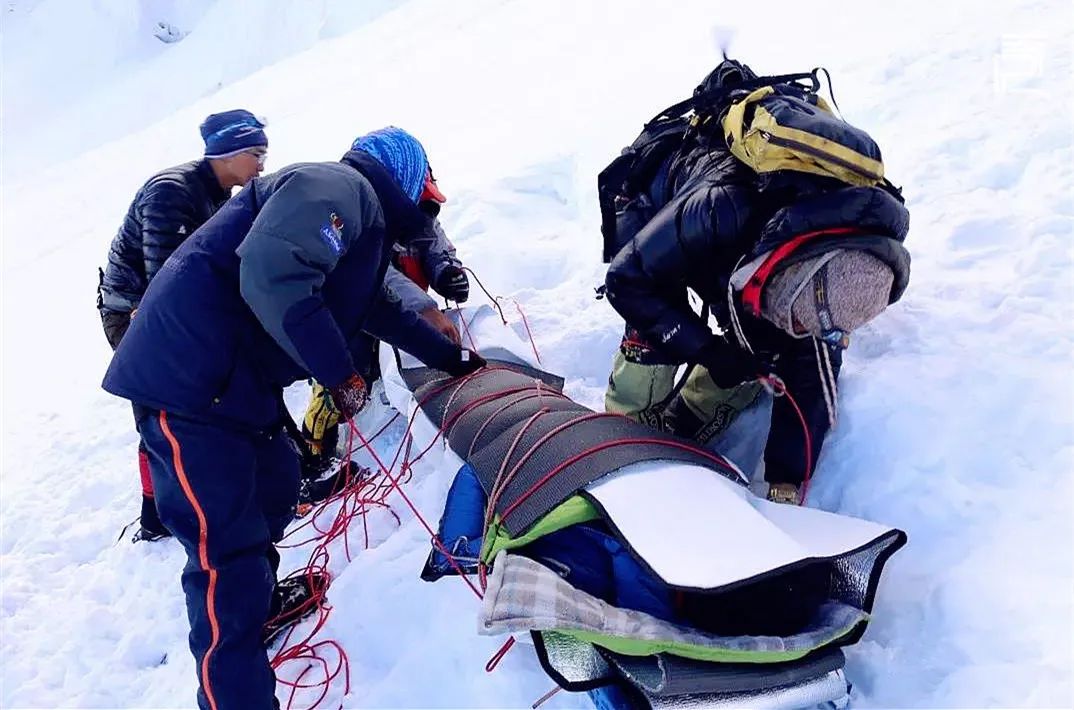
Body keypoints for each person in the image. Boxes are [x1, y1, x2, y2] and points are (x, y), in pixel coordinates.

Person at [102, 128, 484, 710]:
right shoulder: (334, 185)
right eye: (425, 196)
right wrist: (341, 376)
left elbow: (374, 308)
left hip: (235, 388)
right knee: (223, 559)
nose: (427, 211)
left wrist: (451, 359)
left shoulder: (359, 222)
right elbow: (272, 274)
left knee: (278, 486)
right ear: (404, 177)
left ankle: (259, 602)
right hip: (189, 391)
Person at [601, 58, 911, 504]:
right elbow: (628, 279)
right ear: (787, 273)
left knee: (763, 349)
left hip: (749, 246)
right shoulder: (719, 206)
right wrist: (704, 348)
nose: (805, 334)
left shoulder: (842, 266)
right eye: (795, 318)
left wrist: (785, 486)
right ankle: (617, 447)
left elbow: (811, 385)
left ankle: (686, 421)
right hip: (666, 206)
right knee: (655, 325)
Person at [97, 109, 269, 540]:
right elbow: (168, 278)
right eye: (256, 152)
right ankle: (156, 514)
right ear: (227, 153)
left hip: (159, 306)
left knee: (179, 401)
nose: (262, 164)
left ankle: (173, 503)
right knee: (160, 404)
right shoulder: (172, 193)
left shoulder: (215, 193)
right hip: (135, 311)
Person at [300, 128, 471, 474]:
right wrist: (425, 307)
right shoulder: (353, 219)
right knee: (348, 372)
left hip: (399, 317)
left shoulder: (413, 200)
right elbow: (376, 280)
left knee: (395, 359)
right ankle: (315, 448)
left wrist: (446, 271)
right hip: (357, 318)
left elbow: (433, 240)